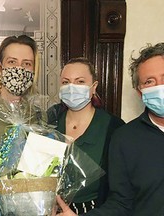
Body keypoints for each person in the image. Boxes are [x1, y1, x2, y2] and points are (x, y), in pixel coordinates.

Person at [55, 43, 164, 216]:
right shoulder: (126, 138)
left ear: (94, 86)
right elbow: (121, 203)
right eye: (150, 81)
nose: (160, 87)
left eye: (80, 81)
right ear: (140, 92)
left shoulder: (111, 126)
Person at [47, 57, 125, 214]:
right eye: (65, 82)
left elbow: (121, 193)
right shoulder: (50, 119)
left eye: (80, 81)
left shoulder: (114, 127)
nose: (71, 87)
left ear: (93, 86)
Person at [0, 35, 46, 185]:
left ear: (33, 70)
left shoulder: (41, 117)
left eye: (27, 64)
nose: (19, 69)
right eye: (12, 62)